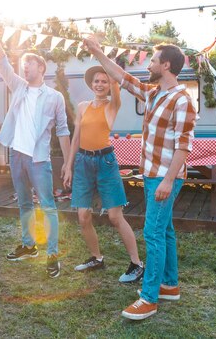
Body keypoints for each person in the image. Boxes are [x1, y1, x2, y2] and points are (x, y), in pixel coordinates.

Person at [83, 37, 197, 321]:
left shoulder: (182, 100)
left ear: (166, 65)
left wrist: (169, 181)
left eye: (154, 60)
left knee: (153, 234)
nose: (149, 64)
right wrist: (98, 52)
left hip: (163, 177)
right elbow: (122, 77)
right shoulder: (154, 93)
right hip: (152, 174)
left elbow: (184, 145)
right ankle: (169, 285)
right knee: (165, 230)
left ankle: (148, 299)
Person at [0, 23, 70, 278]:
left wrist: (66, 162)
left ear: (41, 67)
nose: (25, 68)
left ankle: (52, 255)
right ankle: (29, 246)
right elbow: (2, 64)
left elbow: (63, 130)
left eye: (29, 64)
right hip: (17, 155)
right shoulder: (19, 86)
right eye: (23, 65)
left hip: (39, 159)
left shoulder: (54, 97)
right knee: (23, 203)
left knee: (48, 206)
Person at [63, 65, 145, 283]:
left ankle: (137, 264)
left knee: (115, 217)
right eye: (96, 81)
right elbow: (76, 137)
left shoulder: (113, 105)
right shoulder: (82, 107)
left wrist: (111, 69)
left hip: (106, 162)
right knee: (83, 216)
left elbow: (117, 88)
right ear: (91, 84)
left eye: (104, 81)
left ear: (110, 85)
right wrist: (68, 164)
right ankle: (96, 258)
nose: (99, 84)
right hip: (82, 162)